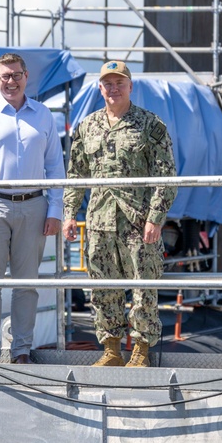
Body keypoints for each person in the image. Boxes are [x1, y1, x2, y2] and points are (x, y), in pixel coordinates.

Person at [62, 61, 177, 368]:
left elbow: (166, 175)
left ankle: (141, 350)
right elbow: (75, 174)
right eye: (107, 84)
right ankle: (111, 349)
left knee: (143, 288)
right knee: (103, 288)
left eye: (119, 83)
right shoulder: (87, 127)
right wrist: (69, 214)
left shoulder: (150, 125)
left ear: (130, 86)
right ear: (100, 88)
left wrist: (155, 217)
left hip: (138, 223)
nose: (113, 89)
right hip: (100, 222)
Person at [0, 52, 64, 364]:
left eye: (16, 74)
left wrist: (56, 209)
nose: (11, 81)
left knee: (26, 285)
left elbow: (55, 167)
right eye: (5, 75)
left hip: (34, 206)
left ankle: (21, 350)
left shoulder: (43, 115)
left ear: (26, 77)